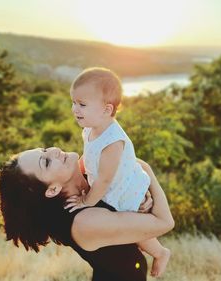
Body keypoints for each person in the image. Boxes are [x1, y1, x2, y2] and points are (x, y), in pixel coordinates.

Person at [0, 146, 174, 281]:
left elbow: (129, 164)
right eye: (46, 162)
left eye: (45, 150)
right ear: (53, 190)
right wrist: (148, 174)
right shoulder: (85, 223)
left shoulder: (87, 167)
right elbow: (164, 222)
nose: (55, 151)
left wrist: (142, 194)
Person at [69, 67, 171, 277]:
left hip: (124, 190)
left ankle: (160, 252)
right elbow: (89, 157)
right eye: (73, 102)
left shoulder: (113, 141)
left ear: (106, 110)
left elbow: (105, 180)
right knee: (125, 231)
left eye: (82, 104)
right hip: (110, 186)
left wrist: (87, 201)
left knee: (133, 229)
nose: (74, 109)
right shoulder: (90, 128)